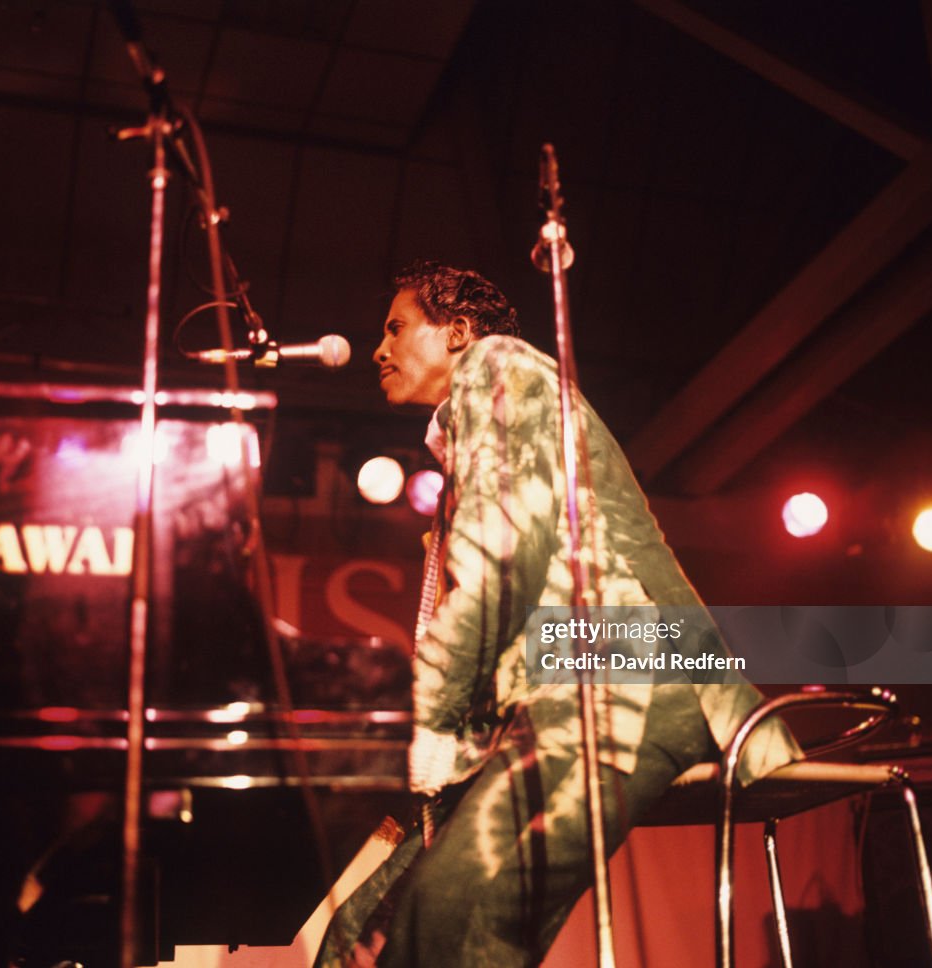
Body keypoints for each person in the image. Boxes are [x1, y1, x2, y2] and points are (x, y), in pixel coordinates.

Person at [314, 261, 800, 968]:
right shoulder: (466, 438)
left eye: (396, 327)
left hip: (628, 675)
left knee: (452, 925)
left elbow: (505, 555)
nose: (378, 349)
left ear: (457, 331)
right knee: (357, 941)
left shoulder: (498, 365)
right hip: (562, 684)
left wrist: (439, 713)